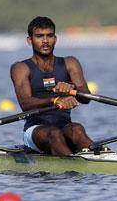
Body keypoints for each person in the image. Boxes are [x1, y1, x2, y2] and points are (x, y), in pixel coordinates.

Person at [10, 16, 94, 156]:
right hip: (35, 131)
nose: (45, 41)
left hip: (64, 127)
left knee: (77, 129)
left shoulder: (70, 63)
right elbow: (25, 103)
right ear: (29, 40)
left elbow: (86, 98)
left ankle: (103, 160)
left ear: (55, 39)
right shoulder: (20, 68)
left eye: (49, 36)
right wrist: (54, 100)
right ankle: (73, 167)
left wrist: (72, 89)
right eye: (39, 36)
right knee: (54, 134)